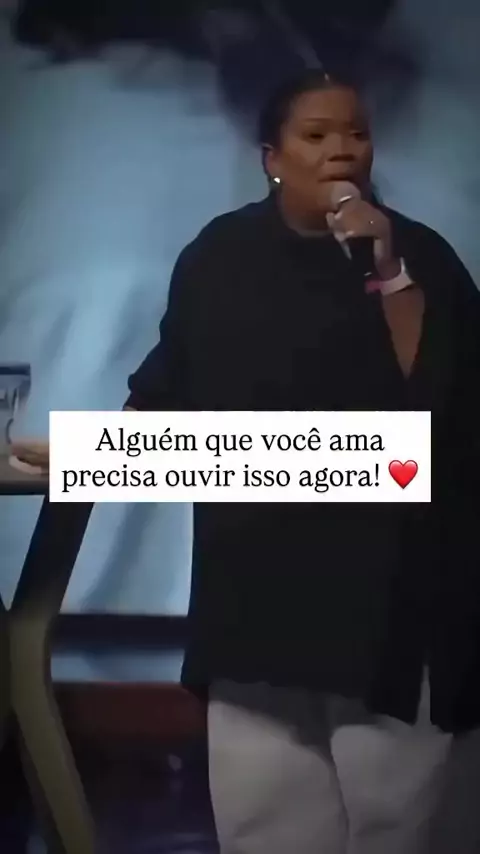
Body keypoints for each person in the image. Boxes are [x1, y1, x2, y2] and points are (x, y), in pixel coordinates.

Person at [125, 70, 480, 854]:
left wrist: (386, 268)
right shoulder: (218, 255)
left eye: (356, 133)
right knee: (266, 827)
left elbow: (442, 406)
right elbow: (164, 390)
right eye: (317, 136)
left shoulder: (419, 256)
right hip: (253, 602)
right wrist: (95, 455)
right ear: (272, 158)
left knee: (400, 827)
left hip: (390, 606)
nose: (341, 151)